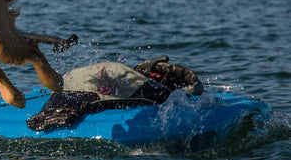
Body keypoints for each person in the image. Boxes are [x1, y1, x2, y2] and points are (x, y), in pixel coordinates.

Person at [27, 56, 203, 131]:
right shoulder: (149, 88)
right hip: (87, 89)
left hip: (70, 81)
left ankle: (57, 109)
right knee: (163, 96)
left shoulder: (127, 73)